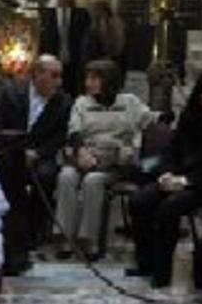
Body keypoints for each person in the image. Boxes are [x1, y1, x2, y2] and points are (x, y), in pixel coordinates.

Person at [128, 70, 202, 288]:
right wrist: (166, 173)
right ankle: (146, 262)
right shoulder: (189, 115)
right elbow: (172, 151)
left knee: (170, 207)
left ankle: (162, 272)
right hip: (177, 175)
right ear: (199, 93)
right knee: (139, 200)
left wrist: (184, 182)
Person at [55, 59, 156, 259]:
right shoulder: (82, 103)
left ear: (108, 81)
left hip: (115, 160)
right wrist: (81, 151)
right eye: (87, 78)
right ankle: (64, 237)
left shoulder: (129, 102)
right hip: (86, 154)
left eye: (94, 78)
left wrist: (135, 145)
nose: (88, 83)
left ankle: (88, 239)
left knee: (93, 181)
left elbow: (151, 122)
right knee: (66, 176)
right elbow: (74, 132)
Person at [0, 54, 71, 267]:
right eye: (53, 76)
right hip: (11, 154)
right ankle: (10, 235)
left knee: (46, 176)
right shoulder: (12, 94)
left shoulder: (63, 102)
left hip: (40, 156)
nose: (58, 82)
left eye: (60, 76)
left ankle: (35, 235)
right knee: (6, 173)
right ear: (37, 75)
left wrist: (38, 153)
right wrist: (18, 151)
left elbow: (60, 136)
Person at [39, 0, 90, 98]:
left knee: (72, 91)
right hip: (54, 58)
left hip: (73, 61)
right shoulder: (47, 15)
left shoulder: (80, 15)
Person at [83, 0, 126, 71]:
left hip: (96, 67)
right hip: (113, 66)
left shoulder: (95, 27)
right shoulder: (118, 25)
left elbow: (89, 50)